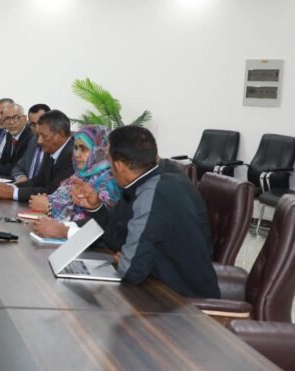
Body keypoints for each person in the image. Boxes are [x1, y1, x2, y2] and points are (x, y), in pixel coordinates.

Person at [73, 126, 220, 298]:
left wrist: (126, 260)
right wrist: (96, 208)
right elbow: (119, 239)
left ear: (119, 166)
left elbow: (130, 270)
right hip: (157, 287)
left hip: (182, 301)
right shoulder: (146, 182)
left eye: (109, 162)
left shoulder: (153, 192)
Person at [30, 125, 121, 239]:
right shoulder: (80, 175)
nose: (77, 154)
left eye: (83, 149)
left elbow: (99, 224)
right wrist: (47, 200)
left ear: (101, 150)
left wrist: (50, 207)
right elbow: (61, 199)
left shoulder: (109, 181)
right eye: (76, 148)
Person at [0, 110, 74, 201]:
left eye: (44, 136)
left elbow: (54, 192)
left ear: (60, 135)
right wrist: (10, 187)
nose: (39, 141)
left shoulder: (72, 156)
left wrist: (13, 193)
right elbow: (38, 182)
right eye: (38, 136)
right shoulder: (51, 149)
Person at [11, 104, 51, 183]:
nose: (37, 128)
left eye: (40, 123)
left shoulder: (54, 146)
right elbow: (17, 167)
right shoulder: (33, 142)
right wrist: (21, 177)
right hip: (26, 188)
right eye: (33, 124)